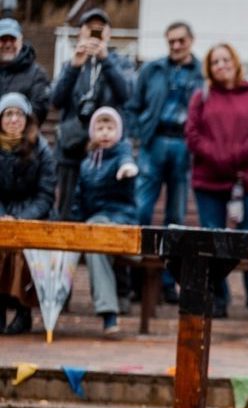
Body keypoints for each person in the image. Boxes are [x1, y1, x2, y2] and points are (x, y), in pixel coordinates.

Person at [185, 43, 248, 320]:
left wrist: (233, 159)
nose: (221, 65)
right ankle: (219, 297)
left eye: (225, 59)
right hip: (209, 180)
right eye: (215, 61)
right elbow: (193, 134)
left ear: (235, 61)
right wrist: (219, 159)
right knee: (212, 239)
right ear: (209, 68)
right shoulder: (202, 97)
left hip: (247, 182)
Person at [125, 21, 204, 304]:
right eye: (171, 41)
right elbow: (133, 105)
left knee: (176, 216)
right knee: (142, 210)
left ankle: (170, 282)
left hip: (183, 144)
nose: (176, 46)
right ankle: (136, 280)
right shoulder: (152, 69)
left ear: (191, 40)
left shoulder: (201, 73)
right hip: (154, 141)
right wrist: (138, 135)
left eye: (181, 40)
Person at [51, 7, 134, 219]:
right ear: (80, 32)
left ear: (108, 33)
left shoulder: (121, 62)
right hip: (72, 150)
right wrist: (74, 67)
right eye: (89, 28)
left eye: (100, 29)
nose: (94, 33)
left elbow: (126, 95)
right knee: (68, 210)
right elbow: (56, 100)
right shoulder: (70, 63)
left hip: (106, 153)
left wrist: (106, 60)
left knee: (101, 210)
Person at [70, 107, 138, 336]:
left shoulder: (123, 152)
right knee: (93, 242)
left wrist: (128, 169)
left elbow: (127, 162)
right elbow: (79, 199)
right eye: (100, 128)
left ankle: (109, 313)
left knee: (96, 238)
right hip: (94, 226)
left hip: (121, 223)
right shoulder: (87, 163)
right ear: (93, 132)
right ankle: (109, 311)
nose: (105, 133)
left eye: (110, 128)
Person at [0, 92, 56, 335]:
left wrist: (20, 220)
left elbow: (46, 195)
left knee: (23, 247)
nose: (14, 120)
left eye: (19, 114)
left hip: (34, 215)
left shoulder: (42, 150)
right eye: (8, 114)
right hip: (3, 214)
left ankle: (23, 312)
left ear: (27, 118)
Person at [0, 18, 50, 123]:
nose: (8, 45)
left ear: (21, 41)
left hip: (22, 135)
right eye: (3, 39)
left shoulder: (37, 74)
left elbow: (40, 110)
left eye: (12, 39)